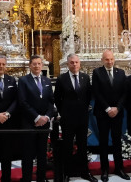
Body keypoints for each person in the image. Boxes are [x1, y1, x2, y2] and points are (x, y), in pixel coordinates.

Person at [54, 54, 98, 182]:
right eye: (72, 62)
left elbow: (88, 96)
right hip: (67, 119)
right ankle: (67, 173)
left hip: (82, 118)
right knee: (67, 147)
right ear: (68, 64)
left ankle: (85, 172)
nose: (74, 64)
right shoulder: (62, 78)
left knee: (83, 146)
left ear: (80, 63)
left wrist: (83, 109)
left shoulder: (85, 78)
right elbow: (57, 98)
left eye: (76, 62)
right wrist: (65, 112)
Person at [92, 50, 129, 181]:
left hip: (117, 113)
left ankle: (119, 169)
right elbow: (97, 93)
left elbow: (125, 93)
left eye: (112, 59)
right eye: (107, 59)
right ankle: (105, 170)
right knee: (103, 142)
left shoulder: (121, 73)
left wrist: (117, 108)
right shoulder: (97, 72)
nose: (110, 61)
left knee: (117, 141)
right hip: (103, 113)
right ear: (102, 60)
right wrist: (108, 108)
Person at [18, 55, 55, 182]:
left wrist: (47, 117)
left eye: (39, 64)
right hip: (29, 122)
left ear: (42, 65)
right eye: (34, 64)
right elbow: (23, 102)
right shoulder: (23, 81)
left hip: (44, 123)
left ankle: (41, 178)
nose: (37, 66)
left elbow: (51, 101)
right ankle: (26, 178)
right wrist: (37, 117)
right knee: (28, 154)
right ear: (30, 65)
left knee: (42, 153)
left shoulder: (47, 81)